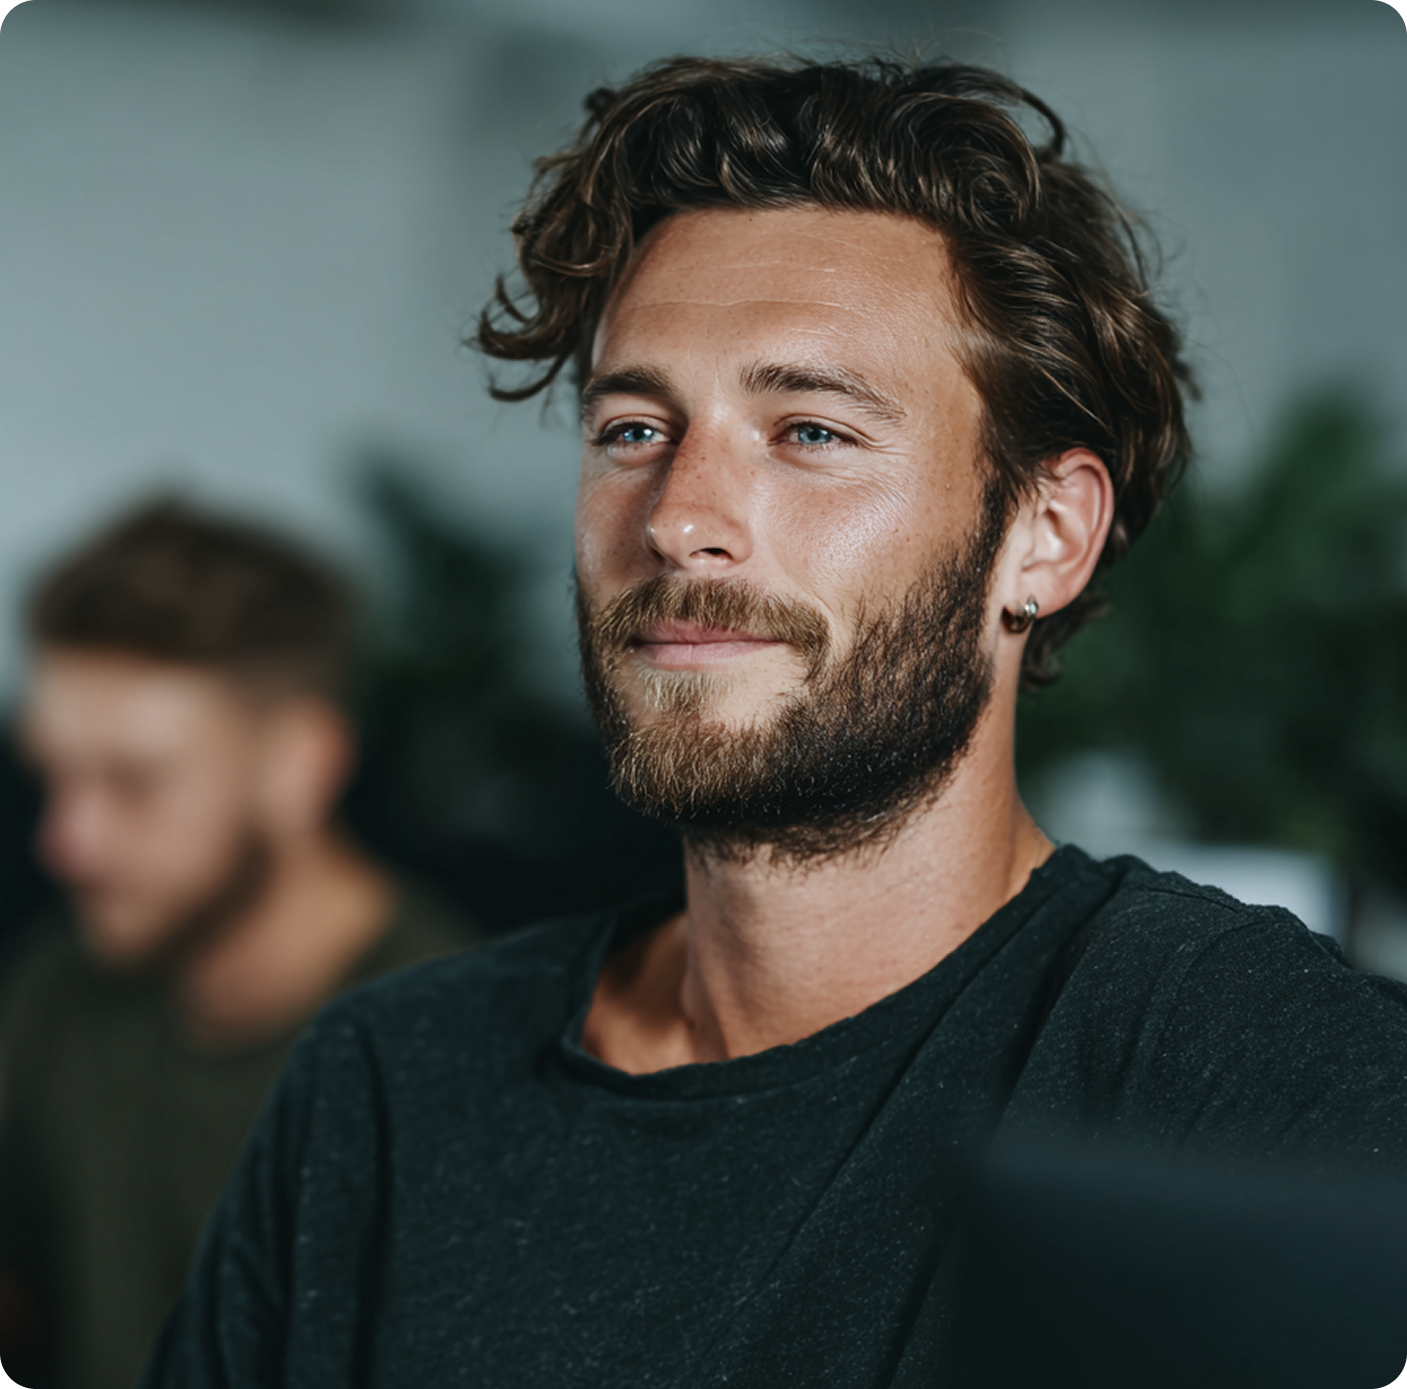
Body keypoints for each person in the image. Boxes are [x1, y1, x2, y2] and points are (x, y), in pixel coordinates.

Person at [142, 57, 1407, 1386]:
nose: (678, 516)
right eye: (632, 426)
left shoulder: (1253, 1077)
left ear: (1044, 538)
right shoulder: (385, 1092)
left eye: (806, 429)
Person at [0, 502, 483, 1389]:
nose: (68, 844)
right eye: (54, 779)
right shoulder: (55, 988)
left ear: (299, 765)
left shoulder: (458, 1069)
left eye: (133, 783)